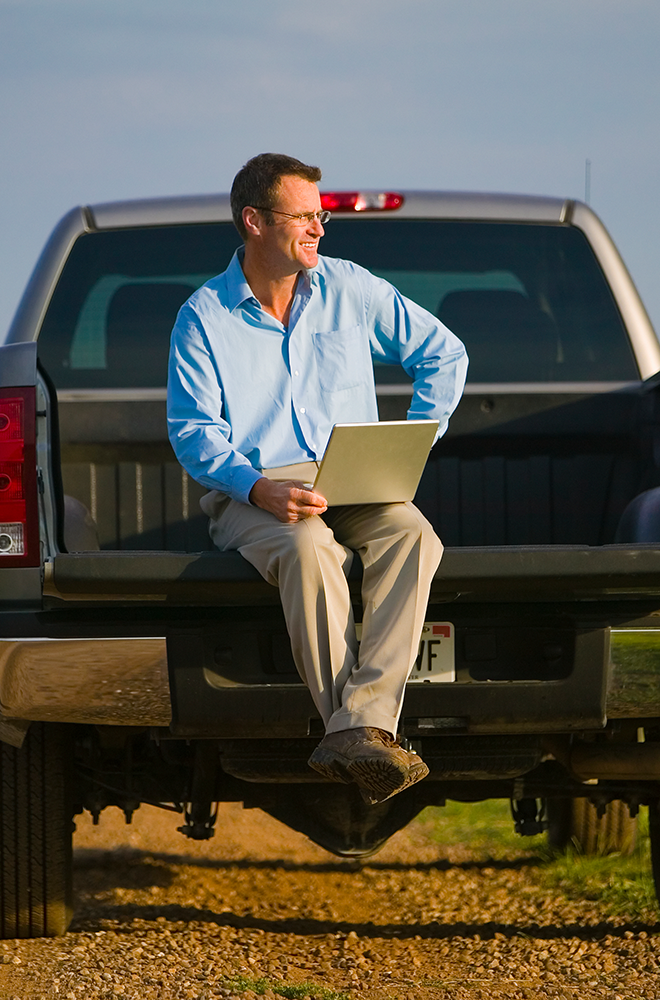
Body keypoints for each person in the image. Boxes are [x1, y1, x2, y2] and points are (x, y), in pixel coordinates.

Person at [166, 153, 468, 805]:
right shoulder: (203, 318)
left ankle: (357, 729)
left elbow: (444, 354)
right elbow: (195, 434)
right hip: (252, 490)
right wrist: (258, 488)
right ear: (253, 221)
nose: (319, 230)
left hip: (351, 478)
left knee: (415, 536)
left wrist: (414, 437)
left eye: (320, 215)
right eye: (303, 216)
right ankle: (361, 737)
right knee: (308, 548)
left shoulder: (351, 287)